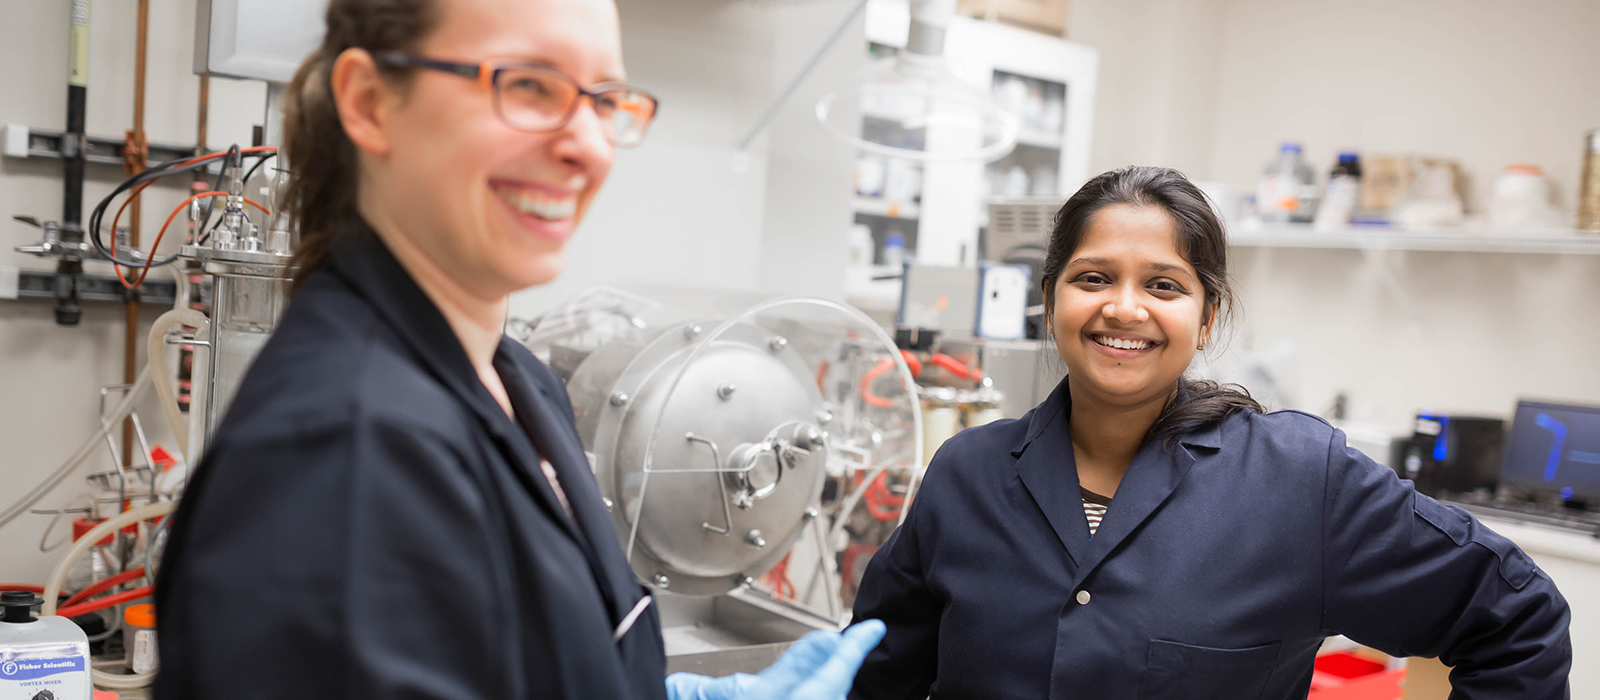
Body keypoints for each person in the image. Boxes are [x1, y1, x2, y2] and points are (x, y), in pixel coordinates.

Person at [152, 0, 883, 697]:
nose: (587, 146)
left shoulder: (520, 383)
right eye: (530, 86)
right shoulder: (341, 451)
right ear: (372, 102)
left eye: (605, 101)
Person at [848, 166, 1571, 699]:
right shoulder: (966, 474)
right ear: (1050, 300)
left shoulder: (1298, 483)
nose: (1124, 308)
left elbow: (1516, 619)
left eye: (1163, 286)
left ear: (1207, 317)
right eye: (1093, 277)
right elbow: (873, 676)